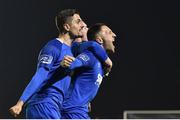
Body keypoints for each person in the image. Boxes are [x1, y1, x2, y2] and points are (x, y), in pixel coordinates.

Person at [9, 9, 87, 119]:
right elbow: (40, 74)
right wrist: (20, 102)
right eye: (78, 21)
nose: (82, 25)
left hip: (53, 106)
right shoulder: (53, 47)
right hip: (43, 104)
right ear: (67, 27)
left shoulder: (70, 51)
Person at [61, 23, 116, 119]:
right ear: (99, 40)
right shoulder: (91, 55)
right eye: (109, 32)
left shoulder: (101, 63)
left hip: (79, 111)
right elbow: (78, 61)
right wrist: (72, 63)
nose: (114, 35)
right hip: (72, 111)